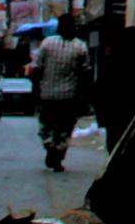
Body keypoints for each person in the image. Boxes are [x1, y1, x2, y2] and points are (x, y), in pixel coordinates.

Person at [27, 10, 89, 171]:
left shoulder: (47, 43)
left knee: (46, 126)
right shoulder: (80, 46)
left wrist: (36, 90)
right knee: (65, 128)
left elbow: (38, 68)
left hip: (48, 95)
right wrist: (83, 97)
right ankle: (58, 153)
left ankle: (49, 146)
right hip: (69, 96)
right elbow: (85, 74)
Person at [93, 25, 135, 151]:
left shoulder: (112, 65)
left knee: (116, 145)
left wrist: (102, 118)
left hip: (116, 115)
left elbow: (100, 92)